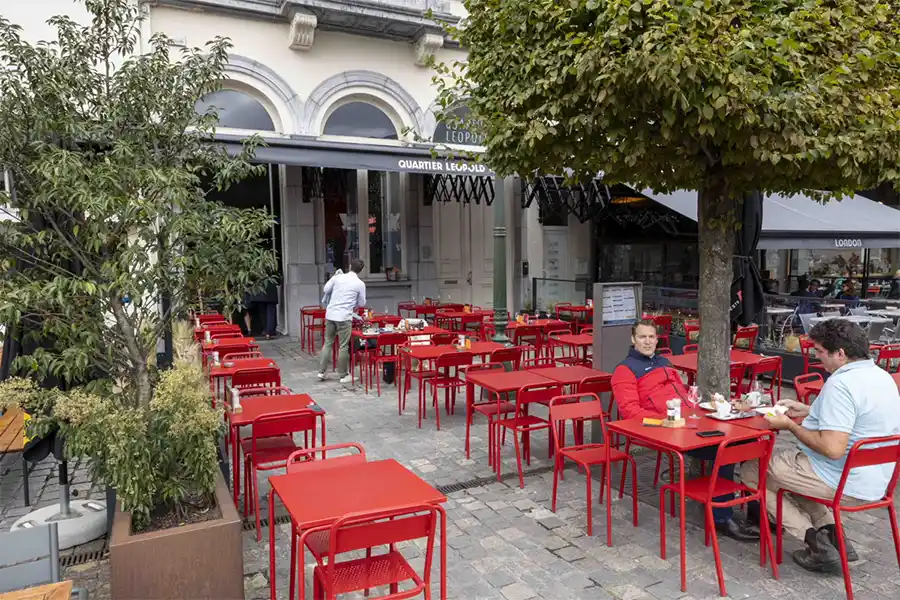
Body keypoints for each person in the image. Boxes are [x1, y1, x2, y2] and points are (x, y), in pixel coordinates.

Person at [742, 318, 900, 572]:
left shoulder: (841, 383)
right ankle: (834, 536)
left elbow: (832, 449)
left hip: (844, 481)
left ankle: (816, 543)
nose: (817, 358)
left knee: (753, 470)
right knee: (782, 475)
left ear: (840, 353)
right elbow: (855, 418)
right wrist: (809, 410)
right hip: (878, 480)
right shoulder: (883, 377)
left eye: (820, 352)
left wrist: (791, 426)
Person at [611, 320, 760, 541]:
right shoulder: (624, 370)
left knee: (746, 442)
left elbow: (684, 396)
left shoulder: (665, 362)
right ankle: (721, 517)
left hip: (689, 421)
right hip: (662, 429)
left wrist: (702, 408)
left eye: (652, 337)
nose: (648, 341)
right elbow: (630, 413)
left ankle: (754, 509)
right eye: (642, 337)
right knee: (725, 449)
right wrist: (666, 420)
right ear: (633, 340)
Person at [317, 259, 367, 383]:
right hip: (344, 316)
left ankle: (321, 372)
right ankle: (343, 375)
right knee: (343, 346)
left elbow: (325, 289)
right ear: (361, 270)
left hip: (331, 313)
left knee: (328, 342)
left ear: (350, 266)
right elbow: (362, 302)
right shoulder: (360, 284)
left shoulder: (338, 277)